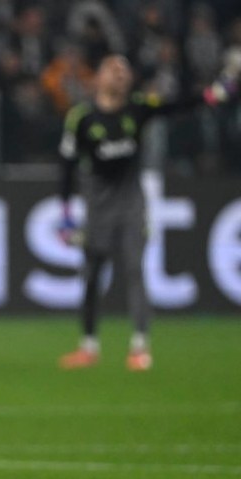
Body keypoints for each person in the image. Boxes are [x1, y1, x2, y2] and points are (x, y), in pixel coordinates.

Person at [57, 53, 236, 371]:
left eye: (124, 70)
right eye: (113, 69)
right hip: (97, 207)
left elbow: (179, 105)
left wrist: (217, 92)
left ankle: (140, 346)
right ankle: (88, 346)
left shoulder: (139, 108)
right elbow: (67, 166)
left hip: (131, 203)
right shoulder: (82, 117)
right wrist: (66, 212)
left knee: (135, 270)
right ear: (98, 78)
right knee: (92, 276)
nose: (120, 74)